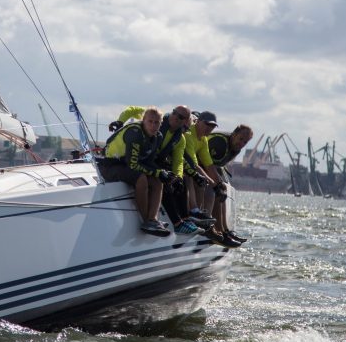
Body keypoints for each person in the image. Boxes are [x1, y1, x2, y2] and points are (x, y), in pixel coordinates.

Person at [112, 105, 205, 234]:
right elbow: (132, 110)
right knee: (159, 180)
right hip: (120, 162)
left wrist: (179, 177)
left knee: (177, 181)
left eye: (182, 118)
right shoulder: (154, 117)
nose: (176, 117)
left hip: (147, 161)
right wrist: (120, 121)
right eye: (175, 113)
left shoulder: (176, 138)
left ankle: (184, 219)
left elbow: (179, 160)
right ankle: (174, 222)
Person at [98, 107, 171, 236]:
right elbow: (133, 164)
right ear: (143, 121)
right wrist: (157, 172)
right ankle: (146, 221)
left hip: (125, 164)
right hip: (110, 166)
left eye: (157, 122)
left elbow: (149, 162)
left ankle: (153, 219)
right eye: (150, 121)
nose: (153, 125)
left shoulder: (158, 136)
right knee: (141, 178)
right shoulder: (135, 132)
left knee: (158, 181)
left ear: (161, 124)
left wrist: (161, 173)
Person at [183, 111, 241, 248]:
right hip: (184, 168)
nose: (209, 129)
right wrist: (213, 182)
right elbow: (194, 164)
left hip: (192, 168)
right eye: (207, 124)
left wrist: (219, 184)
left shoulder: (203, 139)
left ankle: (213, 226)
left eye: (213, 126)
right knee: (203, 182)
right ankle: (197, 214)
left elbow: (209, 164)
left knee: (218, 189)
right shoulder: (189, 135)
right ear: (198, 122)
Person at [207, 124, 254, 243]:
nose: (242, 143)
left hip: (209, 168)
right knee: (218, 191)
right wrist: (217, 183)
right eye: (241, 138)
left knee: (223, 191)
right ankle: (218, 231)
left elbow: (217, 165)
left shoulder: (236, 149)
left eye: (245, 142)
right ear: (234, 134)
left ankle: (224, 231)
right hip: (198, 166)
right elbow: (206, 163)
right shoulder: (221, 142)